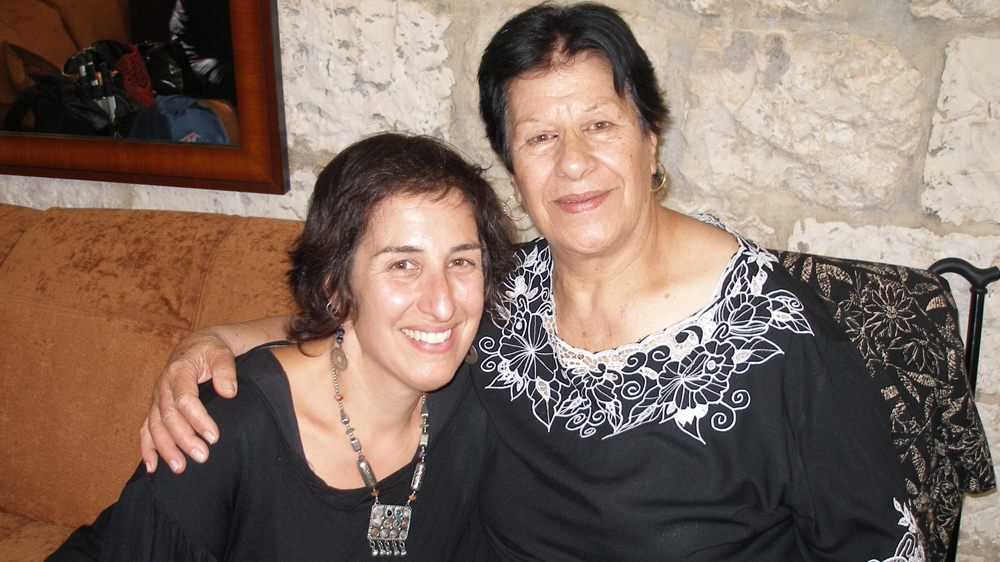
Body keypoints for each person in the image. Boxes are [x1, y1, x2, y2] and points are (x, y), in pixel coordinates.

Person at [140, 4, 925, 561]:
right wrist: (212, 342)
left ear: (650, 138)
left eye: (600, 125)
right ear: (513, 169)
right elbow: (374, 322)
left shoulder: (775, 334)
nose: (573, 163)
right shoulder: (498, 293)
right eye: (541, 137)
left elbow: (880, 546)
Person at [47, 132, 516, 561]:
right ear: (335, 288)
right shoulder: (224, 429)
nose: (442, 304)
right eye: (402, 265)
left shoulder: (487, 391)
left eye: (461, 262)